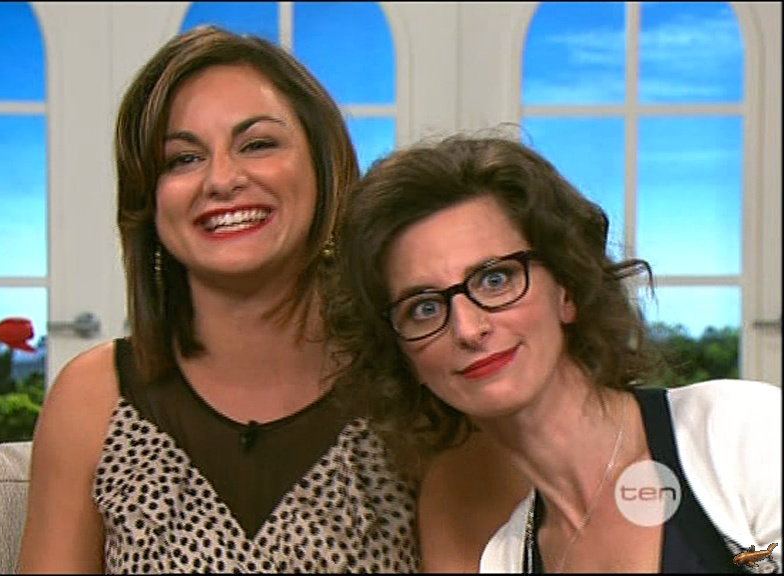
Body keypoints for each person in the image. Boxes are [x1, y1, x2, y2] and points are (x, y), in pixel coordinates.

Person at [18, 25, 436, 573]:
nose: (221, 179)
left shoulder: (415, 378)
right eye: (182, 159)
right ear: (148, 201)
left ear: (323, 165)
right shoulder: (92, 398)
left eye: (257, 145)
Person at [326, 130, 782, 573]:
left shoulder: (742, 432)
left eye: (495, 279)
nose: (468, 328)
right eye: (424, 308)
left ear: (567, 288)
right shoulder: (502, 562)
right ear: (403, 357)